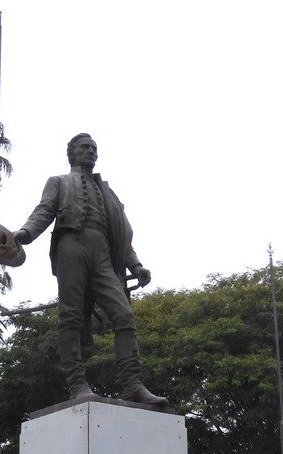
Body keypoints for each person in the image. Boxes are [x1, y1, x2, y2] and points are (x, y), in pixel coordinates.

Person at [14, 133, 168, 406]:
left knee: (124, 315)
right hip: (71, 246)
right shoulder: (58, 182)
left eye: (94, 149)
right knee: (71, 316)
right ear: (71, 154)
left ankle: (132, 384)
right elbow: (44, 211)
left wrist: (135, 264)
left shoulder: (109, 193)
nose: (91, 152)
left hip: (104, 254)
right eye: (85, 148)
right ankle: (77, 385)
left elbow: (120, 235)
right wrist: (24, 234)